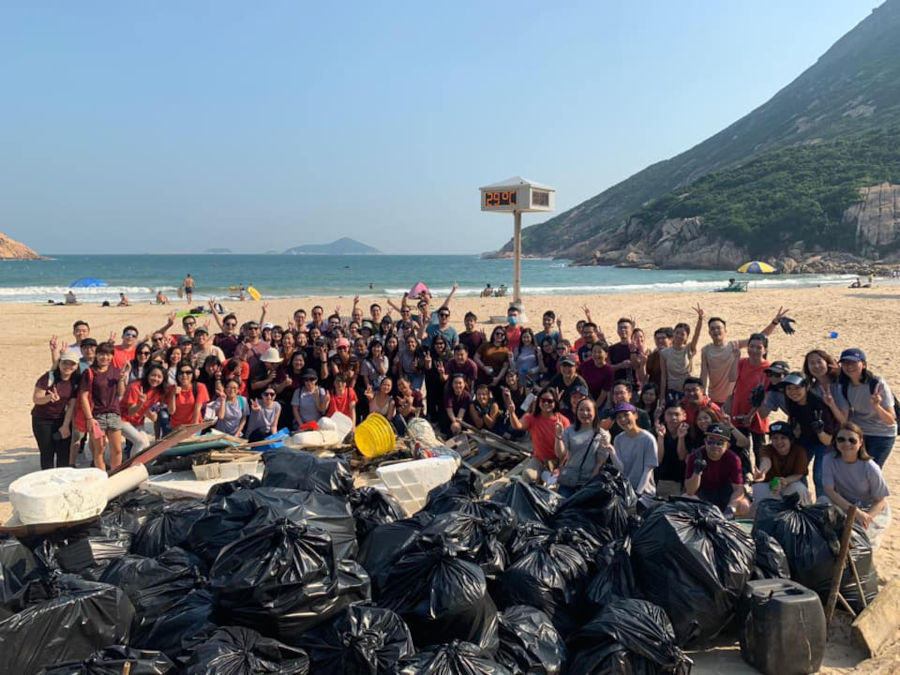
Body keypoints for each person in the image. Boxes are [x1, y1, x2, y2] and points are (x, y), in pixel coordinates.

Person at [699, 308, 788, 407]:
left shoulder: (734, 345)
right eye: (712, 329)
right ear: (709, 333)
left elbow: (760, 337)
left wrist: (774, 322)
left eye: (718, 328)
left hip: (733, 397)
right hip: (714, 396)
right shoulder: (706, 350)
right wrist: (703, 393)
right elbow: (703, 373)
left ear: (725, 331)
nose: (716, 331)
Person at [823, 422, 892, 549]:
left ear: (860, 443)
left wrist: (866, 517)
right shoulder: (829, 460)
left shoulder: (870, 467)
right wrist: (854, 512)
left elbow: (880, 501)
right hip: (844, 504)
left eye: (852, 440)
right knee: (822, 506)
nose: (846, 444)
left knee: (858, 539)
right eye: (841, 439)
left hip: (868, 510)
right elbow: (829, 491)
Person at [837, 348, 896, 467]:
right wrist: (831, 404)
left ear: (863, 364)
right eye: (845, 363)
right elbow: (844, 418)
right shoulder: (843, 386)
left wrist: (876, 406)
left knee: (871, 470)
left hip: (882, 434)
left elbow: (890, 420)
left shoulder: (877, 384)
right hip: (859, 433)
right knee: (855, 469)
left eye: (853, 363)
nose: (849, 367)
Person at [783, 371, 837, 499]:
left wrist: (819, 431)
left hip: (824, 441)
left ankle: (822, 506)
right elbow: (794, 420)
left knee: (819, 476)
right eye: (789, 388)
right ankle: (804, 501)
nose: (793, 392)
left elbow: (828, 440)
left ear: (807, 387)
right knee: (797, 470)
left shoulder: (819, 406)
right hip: (806, 438)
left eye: (797, 388)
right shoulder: (792, 402)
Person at [79, 342, 128, 471]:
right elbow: (83, 396)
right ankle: (102, 476)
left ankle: (115, 475)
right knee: (99, 450)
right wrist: (89, 418)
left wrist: (122, 379)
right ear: (97, 355)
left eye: (108, 355)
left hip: (113, 414)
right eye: (101, 354)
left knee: (117, 449)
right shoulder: (89, 372)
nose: (104, 357)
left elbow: (121, 393)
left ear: (112, 356)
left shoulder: (116, 371)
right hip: (97, 416)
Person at [504, 386, 570, 483]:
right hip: (539, 460)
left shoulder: (563, 421)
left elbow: (568, 449)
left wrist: (560, 467)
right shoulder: (532, 418)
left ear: (555, 402)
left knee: (558, 484)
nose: (546, 403)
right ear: (539, 401)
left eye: (550, 401)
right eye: (543, 400)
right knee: (528, 475)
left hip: (558, 461)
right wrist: (512, 412)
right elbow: (517, 425)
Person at [684, 423, 750, 517]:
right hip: (703, 494)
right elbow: (690, 491)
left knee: (744, 505)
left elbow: (738, 489)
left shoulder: (733, 458)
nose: (714, 445)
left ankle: (734, 526)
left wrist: (731, 507)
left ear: (727, 446)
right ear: (705, 442)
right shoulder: (695, 456)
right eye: (710, 441)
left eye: (720, 443)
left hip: (725, 493)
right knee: (686, 499)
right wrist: (697, 472)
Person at [32, 349, 80, 469]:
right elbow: (36, 399)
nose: (68, 366)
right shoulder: (48, 377)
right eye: (65, 363)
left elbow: (71, 405)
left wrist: (65, 426)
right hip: (42, 420)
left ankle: (61, 484)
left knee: (63, 454)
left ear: (76, 366)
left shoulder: (75, 381)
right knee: (47, 453)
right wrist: (48, 398)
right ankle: (48, 483)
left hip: (61, 418)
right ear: (59, 363)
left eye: (72, 364)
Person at [556, 398, 613, 497]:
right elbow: (561, 454)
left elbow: (600, 462)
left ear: (595, 412)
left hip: (588, 482)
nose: (584, 413)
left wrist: (589, 484)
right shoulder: (569, 430)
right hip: (569, 479)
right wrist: (558, 437)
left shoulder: (602, 434)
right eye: (581, 410)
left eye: (588, 410)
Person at [750, 421, 811, 506]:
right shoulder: (767, 449)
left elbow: (798, 475)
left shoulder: (799, 451)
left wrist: (783, 481)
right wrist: (763, 472)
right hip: (770, 486)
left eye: (783, 438)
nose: (779, 442)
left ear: (791, 440)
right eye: (775, 438)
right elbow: (766, 461)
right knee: (757, 489)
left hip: (789, 484)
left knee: (800, 489)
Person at [610, 403, 658, 501]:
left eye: (626, 415)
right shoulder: (618, 439)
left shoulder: (648, 438)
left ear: (635, 415)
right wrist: (611, 451)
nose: (623, 419)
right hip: (625, 491)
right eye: (619, 417)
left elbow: (648, 470)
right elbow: (621, 469)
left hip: (644, 493)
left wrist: (638, 493)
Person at [659, 306, 704, 405]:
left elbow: (696, 335)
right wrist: (662, 396)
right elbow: (664, 376)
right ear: (673, 334)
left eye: (682, 334)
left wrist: (700, 319)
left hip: (688, 392)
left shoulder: (689, 349)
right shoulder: (664, 353)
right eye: (677, 333)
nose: (679, 336)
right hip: (672, 390)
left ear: (687, 337)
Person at [119, 363, 166, 457]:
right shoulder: (135, 387)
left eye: (159, 377)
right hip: (122, 419)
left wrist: (151, 413)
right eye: (153, 375)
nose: (155, 379)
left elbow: (154, 417)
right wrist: (141, 403)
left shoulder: (159, 392)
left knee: (145, 446)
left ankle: (134, 463)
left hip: (138, 422)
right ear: (147, 375)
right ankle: (132, 466)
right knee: (139, 442)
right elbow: (130, 412)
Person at [654, 403, 689, 497]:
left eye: (677, 414)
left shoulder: (689, 433)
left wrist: (681, 438)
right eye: (669, 414)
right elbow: (658, 459)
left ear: (684, 416)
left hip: (681, 479)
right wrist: (660, 438)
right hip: (660, 478)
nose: (673, 418)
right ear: (664, 416)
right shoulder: (656, 431)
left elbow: (682, 457)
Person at [167, 363, 209, 430]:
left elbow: (197, 409)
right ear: (177, 375)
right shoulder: (172, 389)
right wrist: (173, 394)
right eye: (181, 373)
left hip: (193, 426)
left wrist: (192, 429)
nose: (184, 375)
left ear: (193, 374)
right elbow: (171, 411)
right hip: (176, 427)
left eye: (188, 372)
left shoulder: (200, 387)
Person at [579, 342, 614, 406]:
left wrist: (595, 407)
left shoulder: (608, 370)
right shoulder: (586, 364)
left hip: (599, 401)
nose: (596, 354)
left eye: (599, 352)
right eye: (594, 351)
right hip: (583, 396)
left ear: (606, 354)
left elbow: (604, 393)